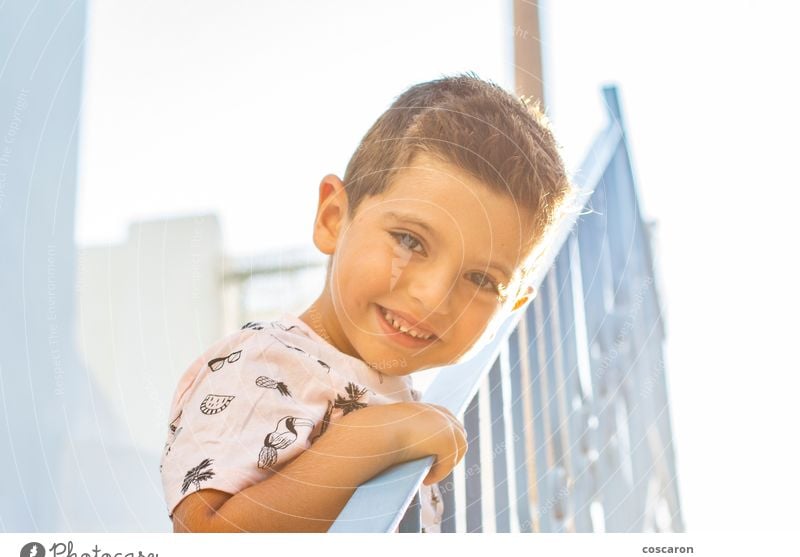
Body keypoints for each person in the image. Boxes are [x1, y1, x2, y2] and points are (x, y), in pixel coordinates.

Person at [160, 72, 573, 532]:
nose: (433, 296)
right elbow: (203, 538)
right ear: (333, 218)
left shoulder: (405, 408)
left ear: (512, 307)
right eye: (410, 241)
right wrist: (368, 440)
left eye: (481, 278)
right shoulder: (261, 363)